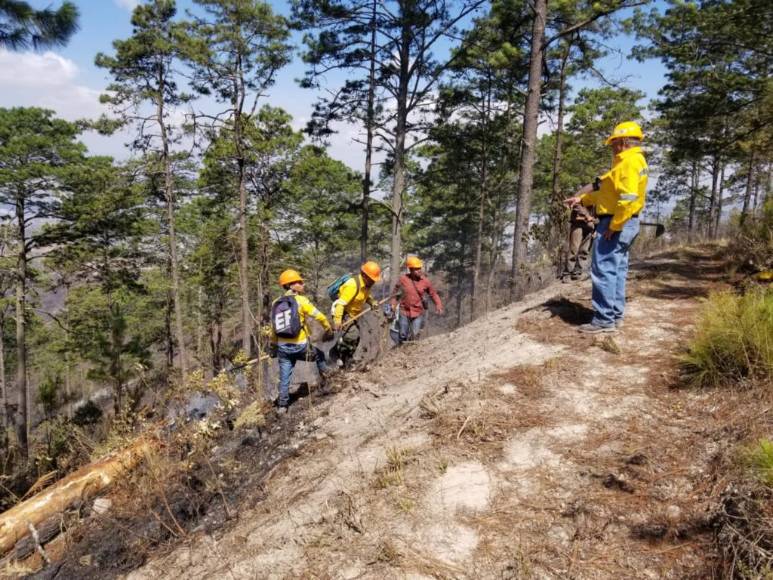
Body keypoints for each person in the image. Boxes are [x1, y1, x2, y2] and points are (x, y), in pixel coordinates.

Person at [563, 121, 648, 333]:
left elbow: (627, 199)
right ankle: (614, 315)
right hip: (624, 220)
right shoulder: (628, 162)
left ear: (623, 142)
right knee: (616, 270)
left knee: (604, 271)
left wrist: (615, 225)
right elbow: (607, 194)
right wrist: (582, 200)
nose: (611, 147)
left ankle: (604, 320)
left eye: (614, 143)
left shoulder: (628, 163)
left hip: (617, 221)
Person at [269, 269, 334, 414]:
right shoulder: (301, 301)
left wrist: (273, 346)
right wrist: (328, 328)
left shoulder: (275, 303)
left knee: (285, 377)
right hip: (300, 346)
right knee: (319, 356)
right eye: (299, 282)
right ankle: (329, 380)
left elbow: (273, 328)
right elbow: (320, 316)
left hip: (283, 348)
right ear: (290, 286)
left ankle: (282, 406)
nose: (302, 284)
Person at [331, 261, 382, 366]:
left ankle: (346, 360)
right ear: (364, 275)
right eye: (372, 279)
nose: (373, 282)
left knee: (356, 339)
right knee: (352, 335)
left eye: (374, 280)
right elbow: (340, 304)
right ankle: (335, 352)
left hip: (353, 314)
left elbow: (366, 296)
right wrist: (337, 321)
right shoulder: (352, 285)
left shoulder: (366, 285)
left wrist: (372, 303)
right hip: (342, 311)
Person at [389, 256, 443, 344]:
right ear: (411, 270)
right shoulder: (403, 280)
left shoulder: (425, 281)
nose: (419, 270)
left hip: (418, 312)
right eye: (416, 269)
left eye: (419, 268)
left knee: (415, 334)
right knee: (402, 334)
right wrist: (393, 305)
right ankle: (400, 351)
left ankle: (412, 351)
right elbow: (395, 294)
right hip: (404, 311)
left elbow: (433, 294)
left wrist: (438, 305)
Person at [562, 204, 597, 282]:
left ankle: (577, 273)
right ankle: (567, 274)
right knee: (573, 249)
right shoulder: (583, 193)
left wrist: (595, 225)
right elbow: (576, 205)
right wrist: (587, 216)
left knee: (584, 251)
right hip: (578, 224)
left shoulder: (600, 195)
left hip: (590, 227)